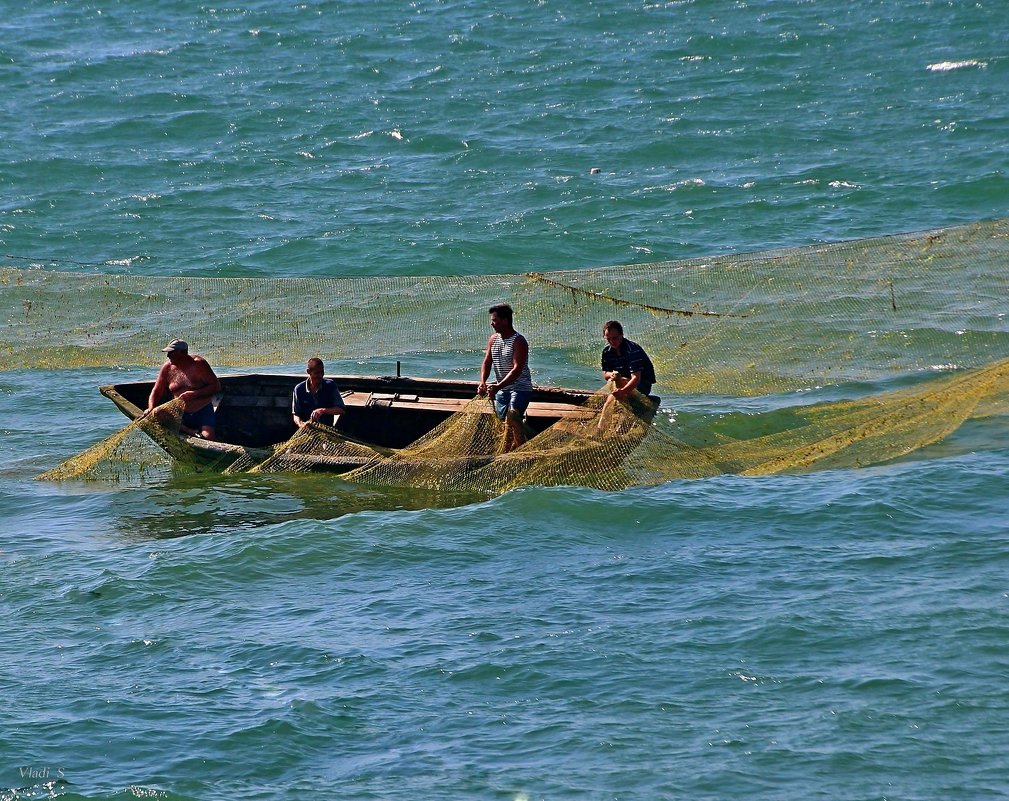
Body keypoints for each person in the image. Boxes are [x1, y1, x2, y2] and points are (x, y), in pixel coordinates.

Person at [478, 303, 533, 452]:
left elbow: (516, 370)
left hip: (520, 388)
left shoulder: (519, 341)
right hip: (502, 389)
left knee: (513, 417)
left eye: (494, 320)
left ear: (505, 320)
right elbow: (487, 362)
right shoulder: (493, 339)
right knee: (503, 426)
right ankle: (508, 451)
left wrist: (497, 387)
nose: (492, 323)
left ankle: (522, 451)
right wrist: (482, 382)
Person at [146, 339, 222, 440]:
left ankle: (190, 431)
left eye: (171, 353)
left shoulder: (199, 364)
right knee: (156, 413)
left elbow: (216, 387)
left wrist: (195, 394)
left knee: (208, 438)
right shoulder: (167, 367)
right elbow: (156, 391)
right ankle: (189, 431)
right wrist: (150, 408)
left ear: (182, 353)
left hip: (202, 410)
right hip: (180, 411)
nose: (168, 356)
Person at [601, 320, 656, 400]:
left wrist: (623, 392)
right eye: (608, 339)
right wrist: (612, 375)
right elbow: (606, 374)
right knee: (612, 380)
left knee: (621, 384)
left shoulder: (632, 350)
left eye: (615, 338)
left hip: (642, 384)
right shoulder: (606, 351)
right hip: (623, 380)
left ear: (621, 335)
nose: (612, 342)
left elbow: (636, 377)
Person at [292, 357, 346, 429]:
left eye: (322, 372)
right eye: (316, 373)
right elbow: (296, 414)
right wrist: (301, 424)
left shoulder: (330, 385)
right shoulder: (299, 389)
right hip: (308, 430)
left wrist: (322, 411)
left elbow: (341, 410)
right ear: (308, 372)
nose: (320, 376)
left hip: (327, 429)